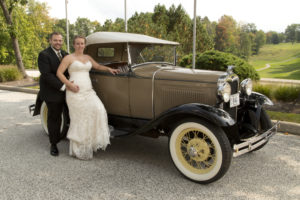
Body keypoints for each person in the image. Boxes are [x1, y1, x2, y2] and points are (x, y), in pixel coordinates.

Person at [56, 35, 119, 160]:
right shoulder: (69, 58)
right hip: (75, 92)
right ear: (74, 45)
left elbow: (97, 66)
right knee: (80, 119)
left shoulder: (88, 57)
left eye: (82, 43)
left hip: (88, 91)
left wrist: (109, 69)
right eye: (78, 43)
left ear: (85, 45)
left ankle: (90, 143)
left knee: (99, 110)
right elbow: (59, 73)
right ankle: (79, 150)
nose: (80, 46)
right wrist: (69, 85)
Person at [38, 32, 68, 156]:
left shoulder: (65, 54)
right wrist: (63, 86)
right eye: (55, 40)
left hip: (67, 90)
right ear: (50, 41)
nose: (58, 43)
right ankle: (53, 144)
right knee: (54, 118)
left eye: (60, 40)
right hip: (52, 92)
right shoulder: (44, 55)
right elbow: (47, 75)